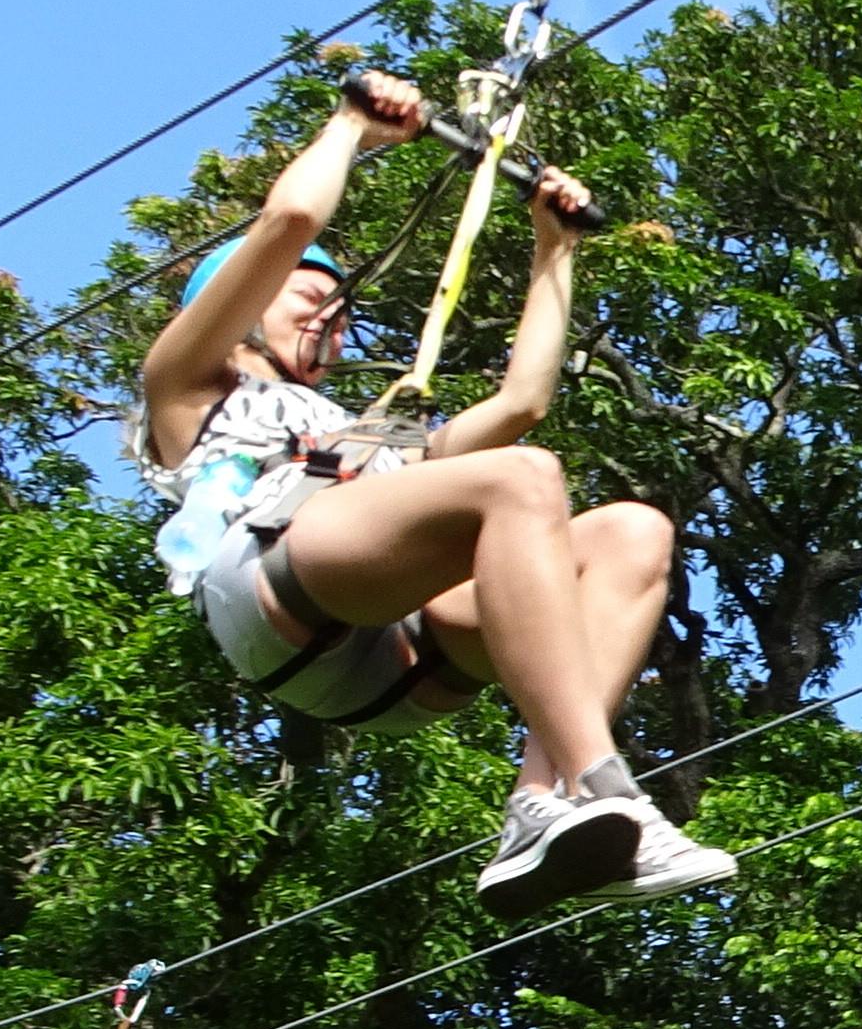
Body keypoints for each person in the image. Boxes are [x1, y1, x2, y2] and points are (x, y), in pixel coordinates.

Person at [128, 68, 731, 911]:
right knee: (524, 478)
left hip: (397, 657)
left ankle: (545, 801)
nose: (330, 320)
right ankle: (609, 786)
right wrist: (349, 127)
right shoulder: (188, 385)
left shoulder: (369, 441)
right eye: (309, 297)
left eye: (342, 313)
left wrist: (555, 248)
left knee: (633, 531)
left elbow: (522, 402)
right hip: (271, 587)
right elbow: (290, 220)